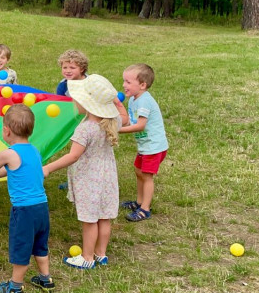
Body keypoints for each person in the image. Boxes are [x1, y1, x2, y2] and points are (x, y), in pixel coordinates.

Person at [0, 104, 54, 293]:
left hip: (24, 211)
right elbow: (9, 170)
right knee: (40, 245)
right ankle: (46, 278)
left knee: (21, 246)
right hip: (42, 208)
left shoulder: (8, 153)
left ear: (6, 131)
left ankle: (15, 286)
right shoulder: (34, 150)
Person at [43, 75, 121, 269]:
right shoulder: (111, 122)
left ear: (86, 104)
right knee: (104, 217)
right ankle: (100, 254)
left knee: (90, 220)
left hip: (90, 180)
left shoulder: (85, 129)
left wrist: (48, 168)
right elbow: (124, 118)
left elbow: (73, 156)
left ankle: (87, 258)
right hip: (107, 178)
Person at [53, 50, 128, 190]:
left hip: (93, 119)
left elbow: (103, 97)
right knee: (81, 151)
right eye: (65, 67)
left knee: (83, 152)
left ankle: (80, 179)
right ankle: (76, 178)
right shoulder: (63, 85)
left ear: (82, 68)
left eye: (72, 67)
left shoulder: (92, 83)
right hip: (77, 121)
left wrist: (47, 168)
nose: (68, 70)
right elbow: (61, 104)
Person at [119, 63, 169, 222]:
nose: (124, 85)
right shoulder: (133, 100)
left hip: (154, 147)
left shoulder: (144, 101)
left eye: (128, 82)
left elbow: (140, 126)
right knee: (138, 171)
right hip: (145, 146)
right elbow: (130, 121)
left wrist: (117, 130)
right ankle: (139, 202)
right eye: (124, 81)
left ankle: (145, 209)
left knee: (146, 176)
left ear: (142, 85)